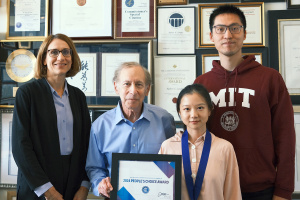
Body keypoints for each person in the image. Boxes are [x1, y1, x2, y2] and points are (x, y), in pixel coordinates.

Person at [194, 4, 295, 200]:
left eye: (235, 28)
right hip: (213, 188)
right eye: (220, 29)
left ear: (245, 34)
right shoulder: (201, 83)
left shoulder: (270, 79)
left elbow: (285, 137)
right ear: (211, 36)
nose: (227, 35)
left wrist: (283, 190)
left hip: (260, 189)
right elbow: (195, 137)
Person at [12, 34, 91, 200]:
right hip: (37, 185)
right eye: (54, 52)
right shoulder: (27, 93)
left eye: (66, 52)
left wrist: (84, 186)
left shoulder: (79, 97)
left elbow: (86, 145)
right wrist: (47, 190)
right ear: (44, 59)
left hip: (73, 184)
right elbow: (21, 147)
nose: (60, 57)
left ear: (72, 58)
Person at [85, 62, 176, 198]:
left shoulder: (164, 120)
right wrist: (100, 183)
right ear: (116, 87)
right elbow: (94, 167)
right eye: (126, 84)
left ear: (147, 89)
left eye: (139, 84)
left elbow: (173, 161)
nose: (133, 91)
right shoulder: (100, 126)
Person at [159, 84, 241, 200]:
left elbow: (233, 194)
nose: (194, 115)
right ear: (179, 112)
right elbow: (160, 191)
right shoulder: (167, 147)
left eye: (200, 108)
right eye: (187, 109)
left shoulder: (225, 148)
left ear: (209, 110)